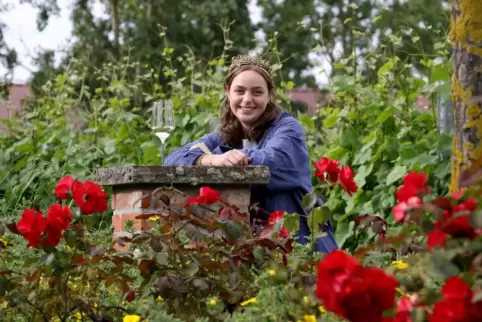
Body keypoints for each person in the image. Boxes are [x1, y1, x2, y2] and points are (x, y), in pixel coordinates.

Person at [163, 55, 338, 253]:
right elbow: (172, 159)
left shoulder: (287, 128)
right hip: (257, 245)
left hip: (302, 246)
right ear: (228, 92)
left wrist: (227, 156)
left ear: (269, 94)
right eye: (239, 91)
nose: (247, 100)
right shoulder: (225, 134)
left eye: (257, 92)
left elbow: (270, 160)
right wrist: (211, 158)